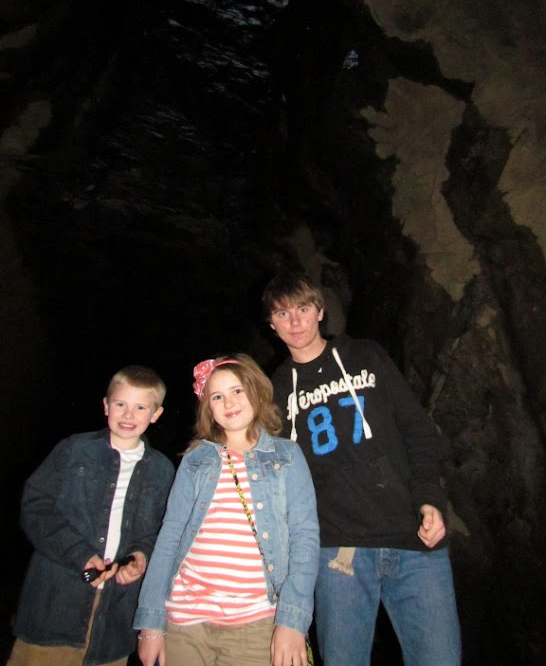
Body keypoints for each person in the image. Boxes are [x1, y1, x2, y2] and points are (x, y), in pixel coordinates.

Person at [262, 272, 461, 666]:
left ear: (320, 311)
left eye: (303, 309)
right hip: (339, 554)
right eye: (283, 314)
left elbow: (418, 431)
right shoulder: (276, 390)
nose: (296, 322)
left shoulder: (366, 356)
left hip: (414, 542)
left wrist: (430, 499)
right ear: (271, 324)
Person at [134, 353, 319, 666]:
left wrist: (293, 621)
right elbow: (170, 535)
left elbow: (305, 537)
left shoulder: (286, 456)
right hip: (184, 621)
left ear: (257, 393)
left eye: (237, 391)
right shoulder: (196, 460)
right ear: (208, 407)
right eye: (217, 396)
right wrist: (151, 623)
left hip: (257, 623)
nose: (229, 402)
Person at [7, 365, 175, 666]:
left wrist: (140, 557)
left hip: (114, 620)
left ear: (156, 414)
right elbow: (35, 506)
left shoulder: (162, 470)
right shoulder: (74, 450)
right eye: (121, 404)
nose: (128, 415)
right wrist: (80, 553)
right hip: (54, 606)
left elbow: (161, 531)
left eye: (140, 407)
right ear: (106, 405)